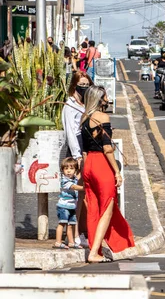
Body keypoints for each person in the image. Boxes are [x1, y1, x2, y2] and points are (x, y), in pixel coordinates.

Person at [81, 86, 135, 263]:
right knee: (107, 207)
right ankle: (94, 251)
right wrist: (117, 172)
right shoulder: (103, 117)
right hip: (101, 165)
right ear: (99, 98)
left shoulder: (84, 118)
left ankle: (94, 247)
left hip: (88, 164)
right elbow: (107, 148)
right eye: (105, 95)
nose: (107, 97)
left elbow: (84, 149)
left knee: (94, 208)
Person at [62, 71, 93, 246]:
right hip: (76, 149)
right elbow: (70, 133)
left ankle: (77, 232)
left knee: (82, 195)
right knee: (73, 195)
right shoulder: (69, 105)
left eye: (87, 85)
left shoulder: (84, 104)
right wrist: (77, 156)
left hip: (85, 146)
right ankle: (72, 235)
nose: (84, 88)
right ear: (74, 86)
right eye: (81, 85)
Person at [54, 157, 84, 249]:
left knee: (71, 224)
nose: (68, 171)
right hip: (63, 206)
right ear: (62, 170)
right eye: (66, 168)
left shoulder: (74, 178)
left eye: (71, 168)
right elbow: (73, 187)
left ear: (75, 170)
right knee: (62, 223)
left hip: (71, 206)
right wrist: (84, 188)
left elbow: (78, 177)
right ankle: (58, 242)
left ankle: (71, 242)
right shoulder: (64, 180)